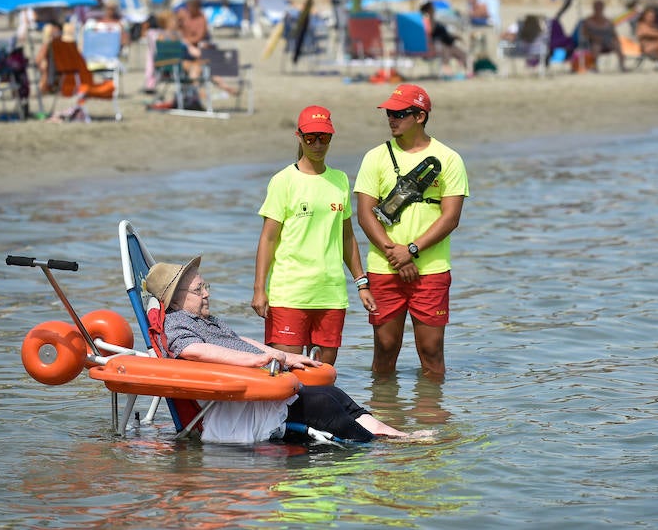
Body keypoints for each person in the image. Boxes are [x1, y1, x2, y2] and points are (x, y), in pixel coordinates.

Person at [145, 255, 414, 444]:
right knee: (322, 405)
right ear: (177, 300)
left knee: (332, 394)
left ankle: (393, 436)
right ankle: (375, 447)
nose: (207, 293)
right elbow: (192, 351)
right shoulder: (177, 322)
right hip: (237, 408)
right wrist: (256, 361)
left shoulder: (205, 320)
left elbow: (239, 340)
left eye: (205, 286)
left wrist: (284, 355)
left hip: (256, 393)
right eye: (198, 289)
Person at [353, 84, 469, 378]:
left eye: (399, 113)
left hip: (431, 268)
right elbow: (365, 215)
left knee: (431, 351)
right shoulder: (375, 157)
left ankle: (431, 418)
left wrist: (412, 251)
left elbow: (451, 217)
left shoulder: (450, 158)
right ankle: (383, 417)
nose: (391, 118)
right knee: (385, 346)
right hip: (385, 266)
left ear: (420, 116)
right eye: (389, 113)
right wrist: (396, 254)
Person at [252, 105, 375, 366]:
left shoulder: (340, 180)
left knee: (322, 380)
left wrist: (361, 282)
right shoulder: (283, 181)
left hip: (331, 295)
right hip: (290, 294)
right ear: (299, 137)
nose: (317, 144)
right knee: (286, 379)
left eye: (324, 138)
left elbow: (347, 237)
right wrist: (259, 289)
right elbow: (268, 239)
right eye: (310, 138)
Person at [419, 1, 469, 76]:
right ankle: (447, 71)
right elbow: (429, 32)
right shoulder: (426, 20)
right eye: (432, 8)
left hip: (446, 43)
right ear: (428, 10)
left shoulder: (435, 20)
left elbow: (443, 33)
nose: (434, 9)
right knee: (445, 49)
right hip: (436, 45)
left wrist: (456, 37)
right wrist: (431, 18)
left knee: (462, 54)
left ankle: (465, 72)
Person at [579, 0, 627, 72]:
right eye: (597, 7)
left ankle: (622, 65)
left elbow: (614, 34)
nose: (598, 8)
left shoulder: (608, 21)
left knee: (617, 44)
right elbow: (584, 33)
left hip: (608, 41)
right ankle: (594, 66)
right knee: (596, 46)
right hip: (594, 42)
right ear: (594, 8)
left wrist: (616, 40)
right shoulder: (587, 21)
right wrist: (593, 37)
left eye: (600, 6)